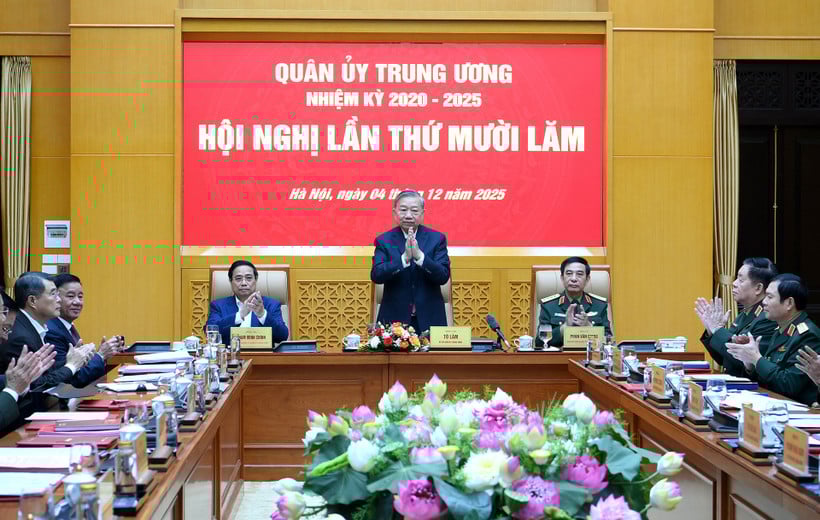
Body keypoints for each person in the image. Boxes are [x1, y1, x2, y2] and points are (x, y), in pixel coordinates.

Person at [726, 274, 820, 405]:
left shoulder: (807, 336)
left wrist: (757, 359)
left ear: (789, 303)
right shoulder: (780, 329)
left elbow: (788, 385)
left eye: (770, 297)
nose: (764, 301)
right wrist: (750, 364)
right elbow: (765, 380)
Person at [370, 190, 450, 333]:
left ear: (422, 213)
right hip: (394, 323)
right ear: (395, 212)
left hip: (430, 320)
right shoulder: (384, 240)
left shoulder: (437, 239)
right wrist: (403, 259)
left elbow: (443, 276)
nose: (408, 215)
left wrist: (420, 257)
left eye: (414, 210)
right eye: (403, 210)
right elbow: (377, 275)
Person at [0, 273, 93, 390]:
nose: (59, 300)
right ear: (32, 301)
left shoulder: (33, 326)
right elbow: (36, 385)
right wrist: (71, 366)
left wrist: (71, 360)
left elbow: (45, 372)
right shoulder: (20, 337)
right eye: (53, 294)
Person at [695, 258, 779, 376]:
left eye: (740, 279)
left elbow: (741, 361)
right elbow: (722, 358)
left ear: (758, 288)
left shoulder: (767, 318)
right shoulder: (745, 313)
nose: (734, 283)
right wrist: (711, 330)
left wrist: (717, 330)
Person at [44, 274, 124, 388]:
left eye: (80, 296)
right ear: (56, 298)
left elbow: (80, 369)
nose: (77, 302)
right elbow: (73, 380)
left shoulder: (68, 327)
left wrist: (103, 356)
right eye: (70, 296)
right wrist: (100, 355)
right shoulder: (52, 331)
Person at [205, 260, 289, 344]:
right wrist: (239, 315)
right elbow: (210, 333)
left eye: (249, 278)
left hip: (262, 355)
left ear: (255, 280)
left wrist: (262, 314)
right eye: (238, 279)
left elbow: (282, 336)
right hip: (229, 355)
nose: (244, 283)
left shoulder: (271, 304)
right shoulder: (218, 305)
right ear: (230, 281)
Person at [537, 257, 612, 348]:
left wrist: (589, 327)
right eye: (569, 274)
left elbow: (609, 342)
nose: (573, 279)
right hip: (559, 359)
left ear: (587, 279)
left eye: (579, 274)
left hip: (591, 359)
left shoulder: (599, 305)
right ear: (562, 278)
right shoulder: (548, 305)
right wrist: (564, 328)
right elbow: (539, 343)